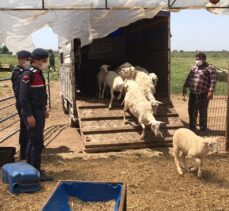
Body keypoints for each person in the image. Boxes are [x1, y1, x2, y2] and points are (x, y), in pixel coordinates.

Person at [19, 48, 53, 181]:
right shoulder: (29, 74)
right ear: (38, 61)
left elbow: (41, 94)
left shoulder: (38, 72)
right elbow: (23, 97)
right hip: (31, 112)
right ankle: (37, 172)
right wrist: (29, 115)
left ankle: (30, 167)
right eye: (44, 60)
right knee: (37, 142)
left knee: (33, 140)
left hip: (38, 110)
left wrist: (44, 108)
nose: (46, 63)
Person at [182, 52, 217, 132]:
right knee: (191, 111)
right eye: (197, 59)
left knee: (203, 112)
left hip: (203, 94)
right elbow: (189, 77)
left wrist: (211, 92)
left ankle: (202, 129)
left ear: (204, 59)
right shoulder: (194, 67)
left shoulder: (210, 68)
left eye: (200, 59)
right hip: (193, 94)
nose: (198, 60)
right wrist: (184, 87)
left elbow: (213, 80)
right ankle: (192, 127)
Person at [11, 50, 31, 160]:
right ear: (21, 59)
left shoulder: (25, 70)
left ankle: (27, 150)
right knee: (24, 128)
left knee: (27, 128)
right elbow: (20, 92)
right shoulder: (17, 72)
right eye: (27, 59)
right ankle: (23, 153)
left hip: (25, 103)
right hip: (22, 103)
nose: (29, 61)